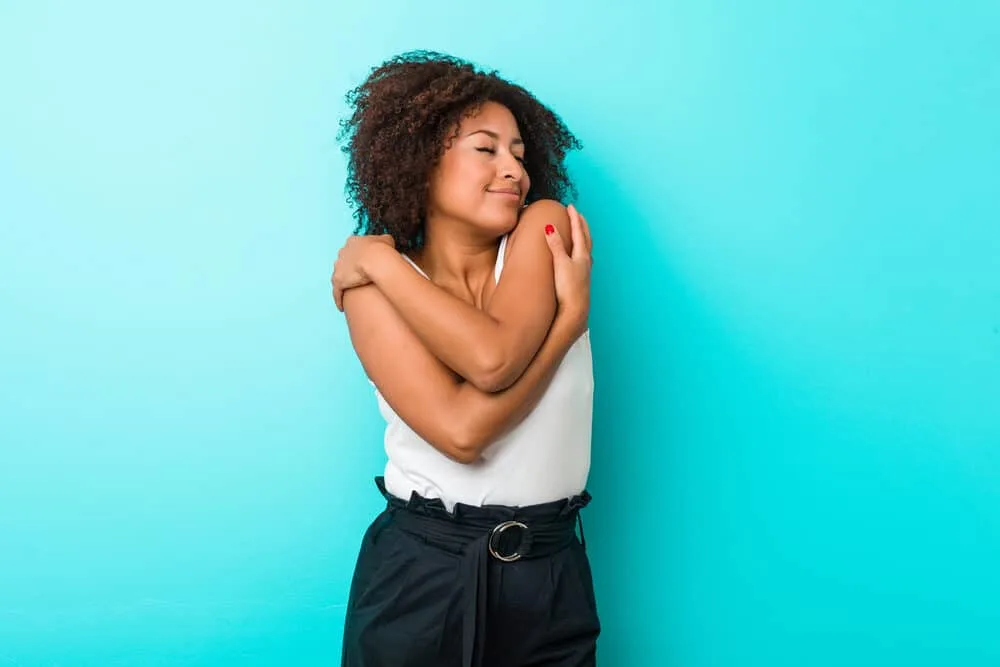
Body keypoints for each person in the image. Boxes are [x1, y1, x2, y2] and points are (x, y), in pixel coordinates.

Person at [330, 51, 598, 667]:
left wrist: (373, 259)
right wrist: (564, 329)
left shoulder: (543, 229)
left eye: (521, 155)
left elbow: (494, 356)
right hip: (421, 573)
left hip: (548, 571)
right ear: (422, 160)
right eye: (487, 149)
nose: (514, 170)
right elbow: (460, 433)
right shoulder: (373, 291)